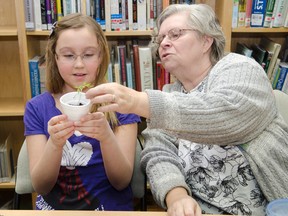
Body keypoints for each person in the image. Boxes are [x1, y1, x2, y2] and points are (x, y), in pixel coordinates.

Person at [85, 4, 288, 216]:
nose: (163, 43)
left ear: (206, 41)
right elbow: (157, 152)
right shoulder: (170, 92)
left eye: (175, 34)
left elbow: (226, 116)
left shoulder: (240, 68)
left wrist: (139, 101)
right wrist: (176, 194)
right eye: (160, 38)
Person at [23, 13, 141, 211]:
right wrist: (54, 144)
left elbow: (121, 181)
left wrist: (106, 137)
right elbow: (41, 186)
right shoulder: (37, 108)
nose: (79, 64)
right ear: (55, 57)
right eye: (69, 55)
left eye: (88, 55)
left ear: (101, 55)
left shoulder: (122, 103)